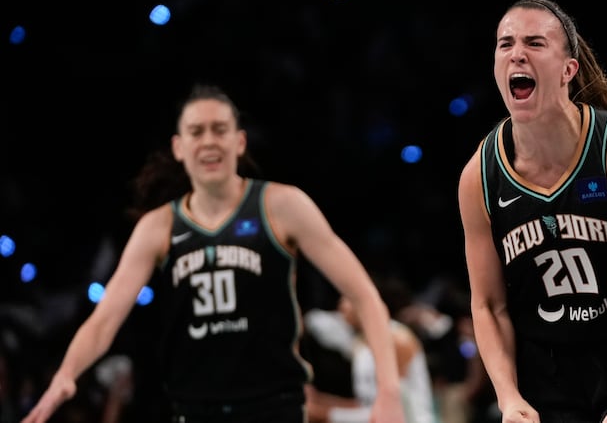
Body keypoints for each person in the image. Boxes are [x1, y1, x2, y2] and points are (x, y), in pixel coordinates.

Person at [21, 84, 406, 423]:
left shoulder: (282, 205)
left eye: (220, 130)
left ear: (239, 142)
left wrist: (389, 392)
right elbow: (103, 322)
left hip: (276, 409)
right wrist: (65, 376)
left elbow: (365, 296)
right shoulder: (158, 227)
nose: (209, 140)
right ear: (178, 147)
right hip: (195, 411)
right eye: (196, 131)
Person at [456, 0, 607, 423]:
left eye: (534, 43)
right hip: (548, 373)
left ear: (568, 70)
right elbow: (488, 306)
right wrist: (508, 397)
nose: (517, 53)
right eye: (505, 43)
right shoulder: (480, 176)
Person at [303, 287, 438, 423]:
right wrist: (319, 401)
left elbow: (395, 407)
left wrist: (324, 414)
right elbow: (366, 403)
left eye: (346, 300)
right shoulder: (359, 342)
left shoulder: (397, 340)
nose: (341, 306)